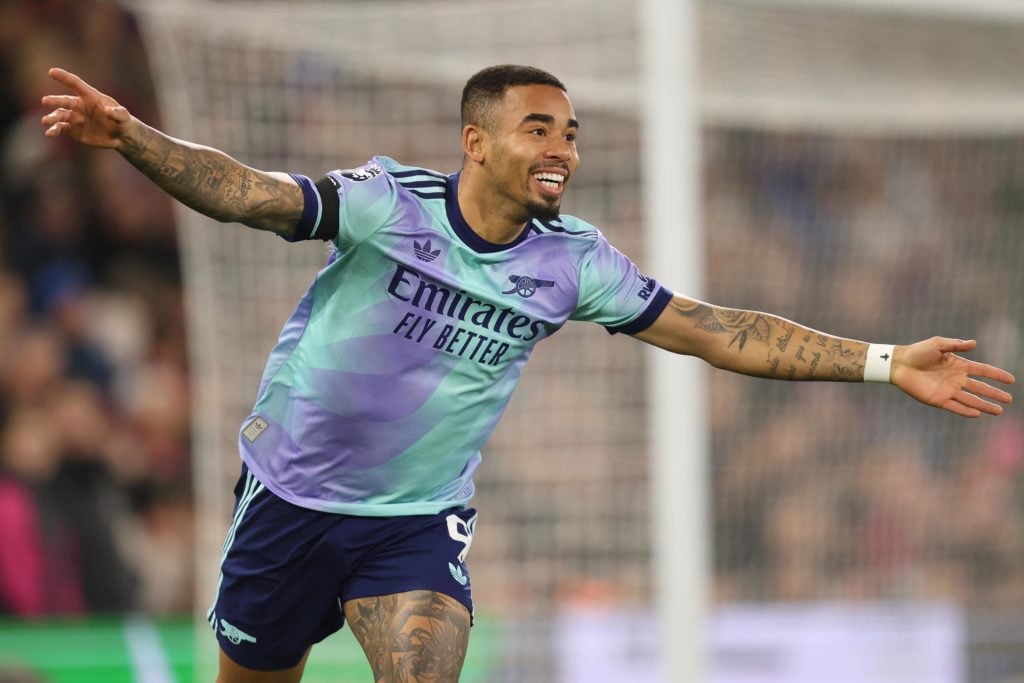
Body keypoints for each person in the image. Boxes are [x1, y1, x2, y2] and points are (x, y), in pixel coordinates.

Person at [40, 64, 1015, 682]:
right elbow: (252, 195)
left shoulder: (573, 260)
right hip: (289, 499)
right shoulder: (390, 204)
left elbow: (715, 330)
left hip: (413, 523)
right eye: (539, 128)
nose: (562, 149)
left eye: (572, 132)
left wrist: (885, 362)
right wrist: (130, 136)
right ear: (477, 141)